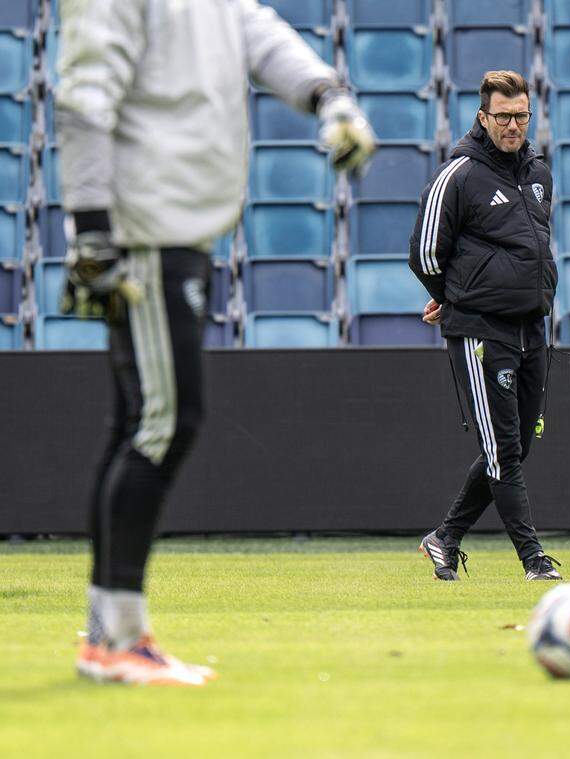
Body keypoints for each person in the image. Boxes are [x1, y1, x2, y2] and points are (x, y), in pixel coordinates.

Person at [60, 0, 376, 686]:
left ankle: (108, 633)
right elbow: (84, 100)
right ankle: (116, 638)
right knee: (166, 421)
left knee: (136, 424)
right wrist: (91, 230)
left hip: (182, 226)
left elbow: (260, 37)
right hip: (142, 229)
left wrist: (331, 98)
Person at [409, 71, 561, 582]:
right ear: (482, 117)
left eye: (522, 115)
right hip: (479, 329)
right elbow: (425, 251)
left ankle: (444, 538)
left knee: (516, 445)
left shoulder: (539, 172)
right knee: (501, 447)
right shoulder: (460, 173)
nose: (514, 125)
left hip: (532, 326)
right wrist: (446, 298)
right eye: (504, 116)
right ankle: (533, 559)